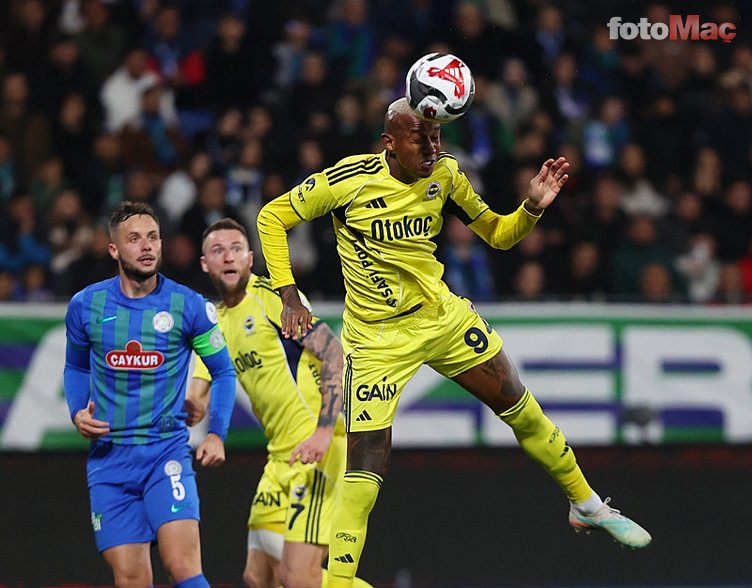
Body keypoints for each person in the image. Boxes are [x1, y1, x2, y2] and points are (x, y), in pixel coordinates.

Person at [256, 97, 652, 586]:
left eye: (437, 136)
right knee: (365, 472)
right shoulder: (348, 181)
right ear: (389, 143)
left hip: (441, 318)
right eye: (419, 138)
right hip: (377, 340)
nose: (432, 147)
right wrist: (288, 295)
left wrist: (531, 207)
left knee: (522, 409)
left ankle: (586, 504)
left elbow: (498, 235)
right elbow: (271, 217)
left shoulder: (446, 175)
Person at [186, 218, 370, 588]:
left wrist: (323, 432)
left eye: (236, 248)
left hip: (317, 450)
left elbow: (333, 353)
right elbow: (196, 397)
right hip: (279, 459)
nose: (228, 257)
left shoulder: (274, 299)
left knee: (298, 577)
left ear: (250, 258)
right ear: (205, 263)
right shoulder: (213, 323)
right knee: (259, 577)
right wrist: (187, 410)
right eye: (218, 250)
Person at [63, 201, 236, 587]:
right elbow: (76, 367)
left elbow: (223, 370)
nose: (146, 246)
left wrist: (216, 433)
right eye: (135, 239)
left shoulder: (189, 305)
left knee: (183, 567)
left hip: (165, 453)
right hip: (109, 462)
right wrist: (77, 412)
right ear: (114, 249)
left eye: (153, 237)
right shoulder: (86, 306)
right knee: (132, 578)